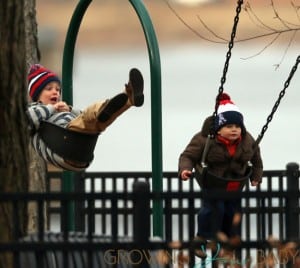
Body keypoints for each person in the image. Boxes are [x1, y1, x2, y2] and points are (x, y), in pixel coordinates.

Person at [178, 93, 263, 258]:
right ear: (218, 128)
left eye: (237, 127)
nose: (234, 130)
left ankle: (225, 246)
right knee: (212, 210)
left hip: (235, 184)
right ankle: (201, 240)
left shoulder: (247, 140)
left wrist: (256, 177)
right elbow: (187, 156)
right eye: (229, 126)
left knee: (232, 213)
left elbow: (257, 160)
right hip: (213, 182)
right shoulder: (205, 139)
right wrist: (185, 170)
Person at [26, 64, 144, 171]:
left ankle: (128, 98)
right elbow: (28, 120)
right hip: (63, 144)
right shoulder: (34, 109)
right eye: (49, 89)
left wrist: (70, 110)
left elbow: (81, 117)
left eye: (57, 89)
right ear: (37, 94)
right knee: (90, 115)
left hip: (81, 148)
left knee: (98, 122)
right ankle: (107, 106)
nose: (55, 92)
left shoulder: (61, 109)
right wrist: (52, 108)